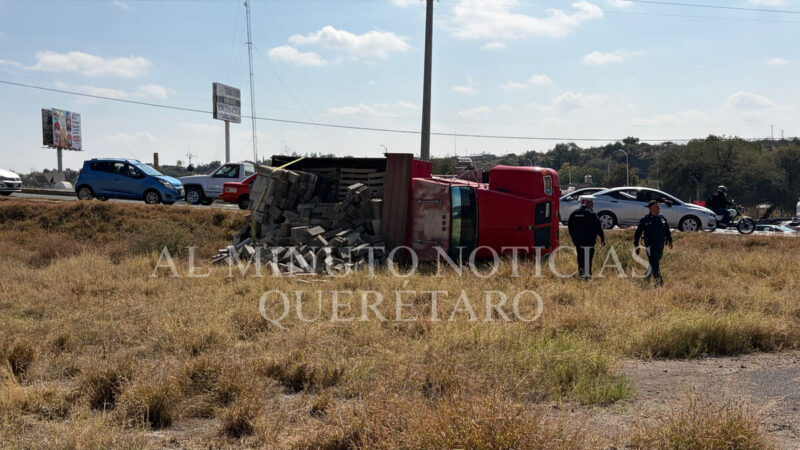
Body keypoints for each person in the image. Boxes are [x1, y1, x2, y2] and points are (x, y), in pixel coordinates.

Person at [634, 199, 673, 285]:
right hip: (650, 244)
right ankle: (658, 279)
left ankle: (646, 278)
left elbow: (667, 230)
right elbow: (638, 233)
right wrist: (636, 245)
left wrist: (670, 240)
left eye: (658, 207)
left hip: (660, 243)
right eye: (656, 207)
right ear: (651, 208)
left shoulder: (662, 218)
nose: (659, 208)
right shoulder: (645, 220)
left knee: (655, 261)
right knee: (654, 261)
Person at [567, 195, 605, 279]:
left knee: (580, 256)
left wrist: (573, 238)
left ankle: (581, 273)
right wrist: (602, 239)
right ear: (590, 204)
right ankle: (587, 276)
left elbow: (570, 227)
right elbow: (598, 228)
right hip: (589, 240)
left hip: (578, 240)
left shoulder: (574, 213)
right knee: (588, 258)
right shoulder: (592, 214)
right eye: (592, 204)